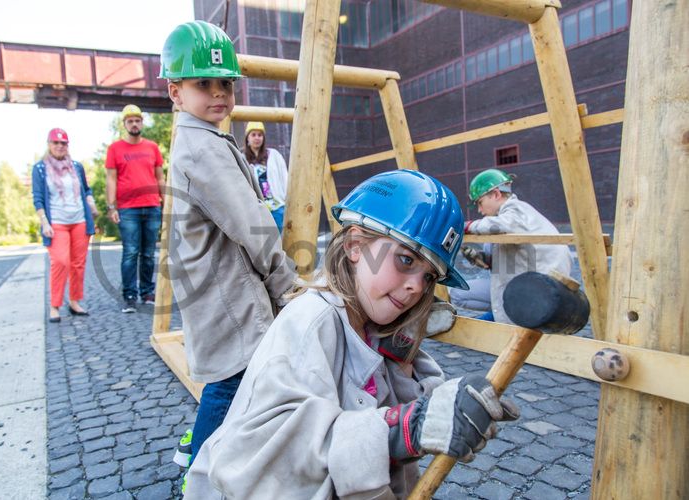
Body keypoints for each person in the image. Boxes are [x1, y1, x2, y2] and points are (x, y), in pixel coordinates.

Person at [184, 170, 520, 499]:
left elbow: (404, 407)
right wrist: (402, 429)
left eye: (430, 277)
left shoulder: (380, 329)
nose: (417, 286)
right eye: (406, 260)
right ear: (356, 245)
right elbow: (278, 455)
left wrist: (443, 403)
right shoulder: (310, 321)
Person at [159, 20, 296, 473]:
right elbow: (253, 224)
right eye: (204, 84)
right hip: (226, 290)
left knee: (236, 373)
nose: (219, 93)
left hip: (217, 284)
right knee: (230, 378)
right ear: (175, 91)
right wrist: (286, 283)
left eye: (226, 84)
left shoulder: (202, 138)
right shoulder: (203, 149)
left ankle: (200, 440)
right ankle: (201, 465)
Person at [453, 168, 573, 324]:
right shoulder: (520, 216)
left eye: (480, 203)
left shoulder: (516, 209)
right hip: (535, 282)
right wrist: (484, 260)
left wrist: (465, 226)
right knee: (458, 293)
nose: (480, 210)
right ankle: (497, 316)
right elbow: (519, 258)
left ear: (496, 194)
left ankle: (498, 319)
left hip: (540, 289)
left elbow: (501, 225)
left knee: (460, 292)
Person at [32, 128, 97, 323]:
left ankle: (75, 302)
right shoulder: (40, 168)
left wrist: (91, 202)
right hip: (57, 223)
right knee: (60, 262)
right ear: (49, 145)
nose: (60, 146)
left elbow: (86, 189)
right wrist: (44, 222)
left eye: (63, 143)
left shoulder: (76, 166)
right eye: (56, 143)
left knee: (78, 264)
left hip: (79, 220)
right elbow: (38, 198)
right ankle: (55, 305)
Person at [105, 104, 165, 313]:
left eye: (137, 120)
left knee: (148, 253)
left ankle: (147, 292)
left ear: (142, 123)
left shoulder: (152, 147)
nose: (134, 124)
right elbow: (111, 179)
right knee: (131, 252)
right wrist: (111, 206)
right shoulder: (115, 149)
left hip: (151, 205)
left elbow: (160, 176)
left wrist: (165, 202)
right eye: (130, 121)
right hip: (127, 208)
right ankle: (129, 295)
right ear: (124, 124)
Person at [243, 121, 288, 232]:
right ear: (247, 138)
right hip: (255, 208)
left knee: (278, 240)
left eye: (260, 135)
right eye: (253, 135)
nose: (257, 138)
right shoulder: (242, 158)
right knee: (260, 241)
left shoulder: (274, 155)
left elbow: (285, 178)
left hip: (276, 206)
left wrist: (286, 199)